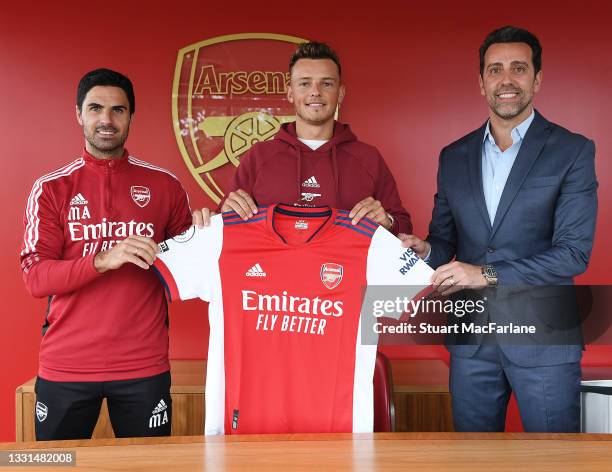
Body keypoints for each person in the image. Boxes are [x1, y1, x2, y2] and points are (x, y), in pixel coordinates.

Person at [401, 26, 597, 432]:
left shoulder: (573, 150)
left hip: (544, 339)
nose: (506, 80)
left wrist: (484, 274)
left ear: (537, 79)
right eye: (495, 70)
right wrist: (424, 250)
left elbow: (573, 253)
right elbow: (444, 242)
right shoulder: (453, 156)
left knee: (553, 462)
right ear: (481, 82)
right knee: (473, 459)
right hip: (472, 341)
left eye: (518, 68)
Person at [20, 68, 193, 440]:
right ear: (79, 114)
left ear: (131, 116)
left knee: (151, 470)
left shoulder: (165, 185)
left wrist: (205, 230)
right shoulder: (51, 188)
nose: (106, 120)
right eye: (96, 108)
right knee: (56, 468)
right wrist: (102, 260)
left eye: (118, 110)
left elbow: (187, 266)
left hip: (142, 366)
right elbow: (36, 278)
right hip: (66, 367)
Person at [195, 41, 411, 234]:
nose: (315, 92)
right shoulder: (259, 156)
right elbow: (224, 221)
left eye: (326, 83)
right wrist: (222, 215)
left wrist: (388, 221)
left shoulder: (368, 158)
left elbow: (403, 225)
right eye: (305, 83)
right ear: (290, 92)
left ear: (341, 93)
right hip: (273, 277)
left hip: (343, 278)